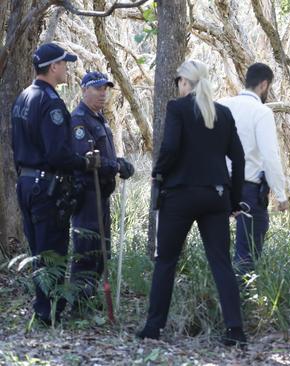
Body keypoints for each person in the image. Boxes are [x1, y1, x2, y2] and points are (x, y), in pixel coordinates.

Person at [137, 59, 247, 347]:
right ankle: (235, 331)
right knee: (221, 263)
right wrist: (234, 199)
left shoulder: (178, 108)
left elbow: (171, 147)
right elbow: (239, 157)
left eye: (179, 82)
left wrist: (158, 173)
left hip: (180, 196)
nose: (178, 87)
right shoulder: (222, 114)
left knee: (166, 262)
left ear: (185, 82)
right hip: (215, 197)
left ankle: (153, 327)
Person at [11, 43, 100, 325]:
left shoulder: (23, 97)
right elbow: (57, 154)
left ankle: (43, 311)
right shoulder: (50, 102)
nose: (66, 68)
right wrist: (84, 162)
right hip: (45, 187)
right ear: (53, 67)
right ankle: (49, 314)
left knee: (38, 252)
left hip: (26, 183)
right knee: (52, 252)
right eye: (64, 63)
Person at [69, 71, 135, 313]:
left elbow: (103, 156)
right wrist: (115, 166)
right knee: (86, 250)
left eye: (105, 89)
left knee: (101, 249)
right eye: (97, 89)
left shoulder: (99, 119)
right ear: (84, 90)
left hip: (102, 195)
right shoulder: (79, 120)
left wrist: (118, 162)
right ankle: (78, 303)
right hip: (87, 195)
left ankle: (90, 297)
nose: (102, 94)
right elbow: (86, 159)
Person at [218, 62, 289, 276]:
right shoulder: (261, 112)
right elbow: (270, 157)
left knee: (216, 251)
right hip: (248, 190)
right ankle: (240, 301)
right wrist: (281, 195)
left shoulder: (221, 105)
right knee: (246, 253)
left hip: (216, 186)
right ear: (264, 84)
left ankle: (218, 298)